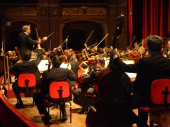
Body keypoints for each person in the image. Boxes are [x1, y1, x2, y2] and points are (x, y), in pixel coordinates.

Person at [110, 35, 170, 127]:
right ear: (161, 47)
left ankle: (141, 123)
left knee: (117, 102)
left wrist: (115, 57)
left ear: (148, 48)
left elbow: (126, 67)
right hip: (164, 99)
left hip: (146, 99)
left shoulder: (145, 62)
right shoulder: (168, 62)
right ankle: (141, 123)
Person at [33, 55, 77, 125]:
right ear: (60, 63)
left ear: (52, 63)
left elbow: (40, 84)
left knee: (36, 96)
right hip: (65, 96)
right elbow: (74, 78)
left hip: (50, 96)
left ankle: (46, 115)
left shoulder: (47, 73)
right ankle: (64, 113)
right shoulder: (66, 71)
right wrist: (69, 70)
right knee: (60, 92)